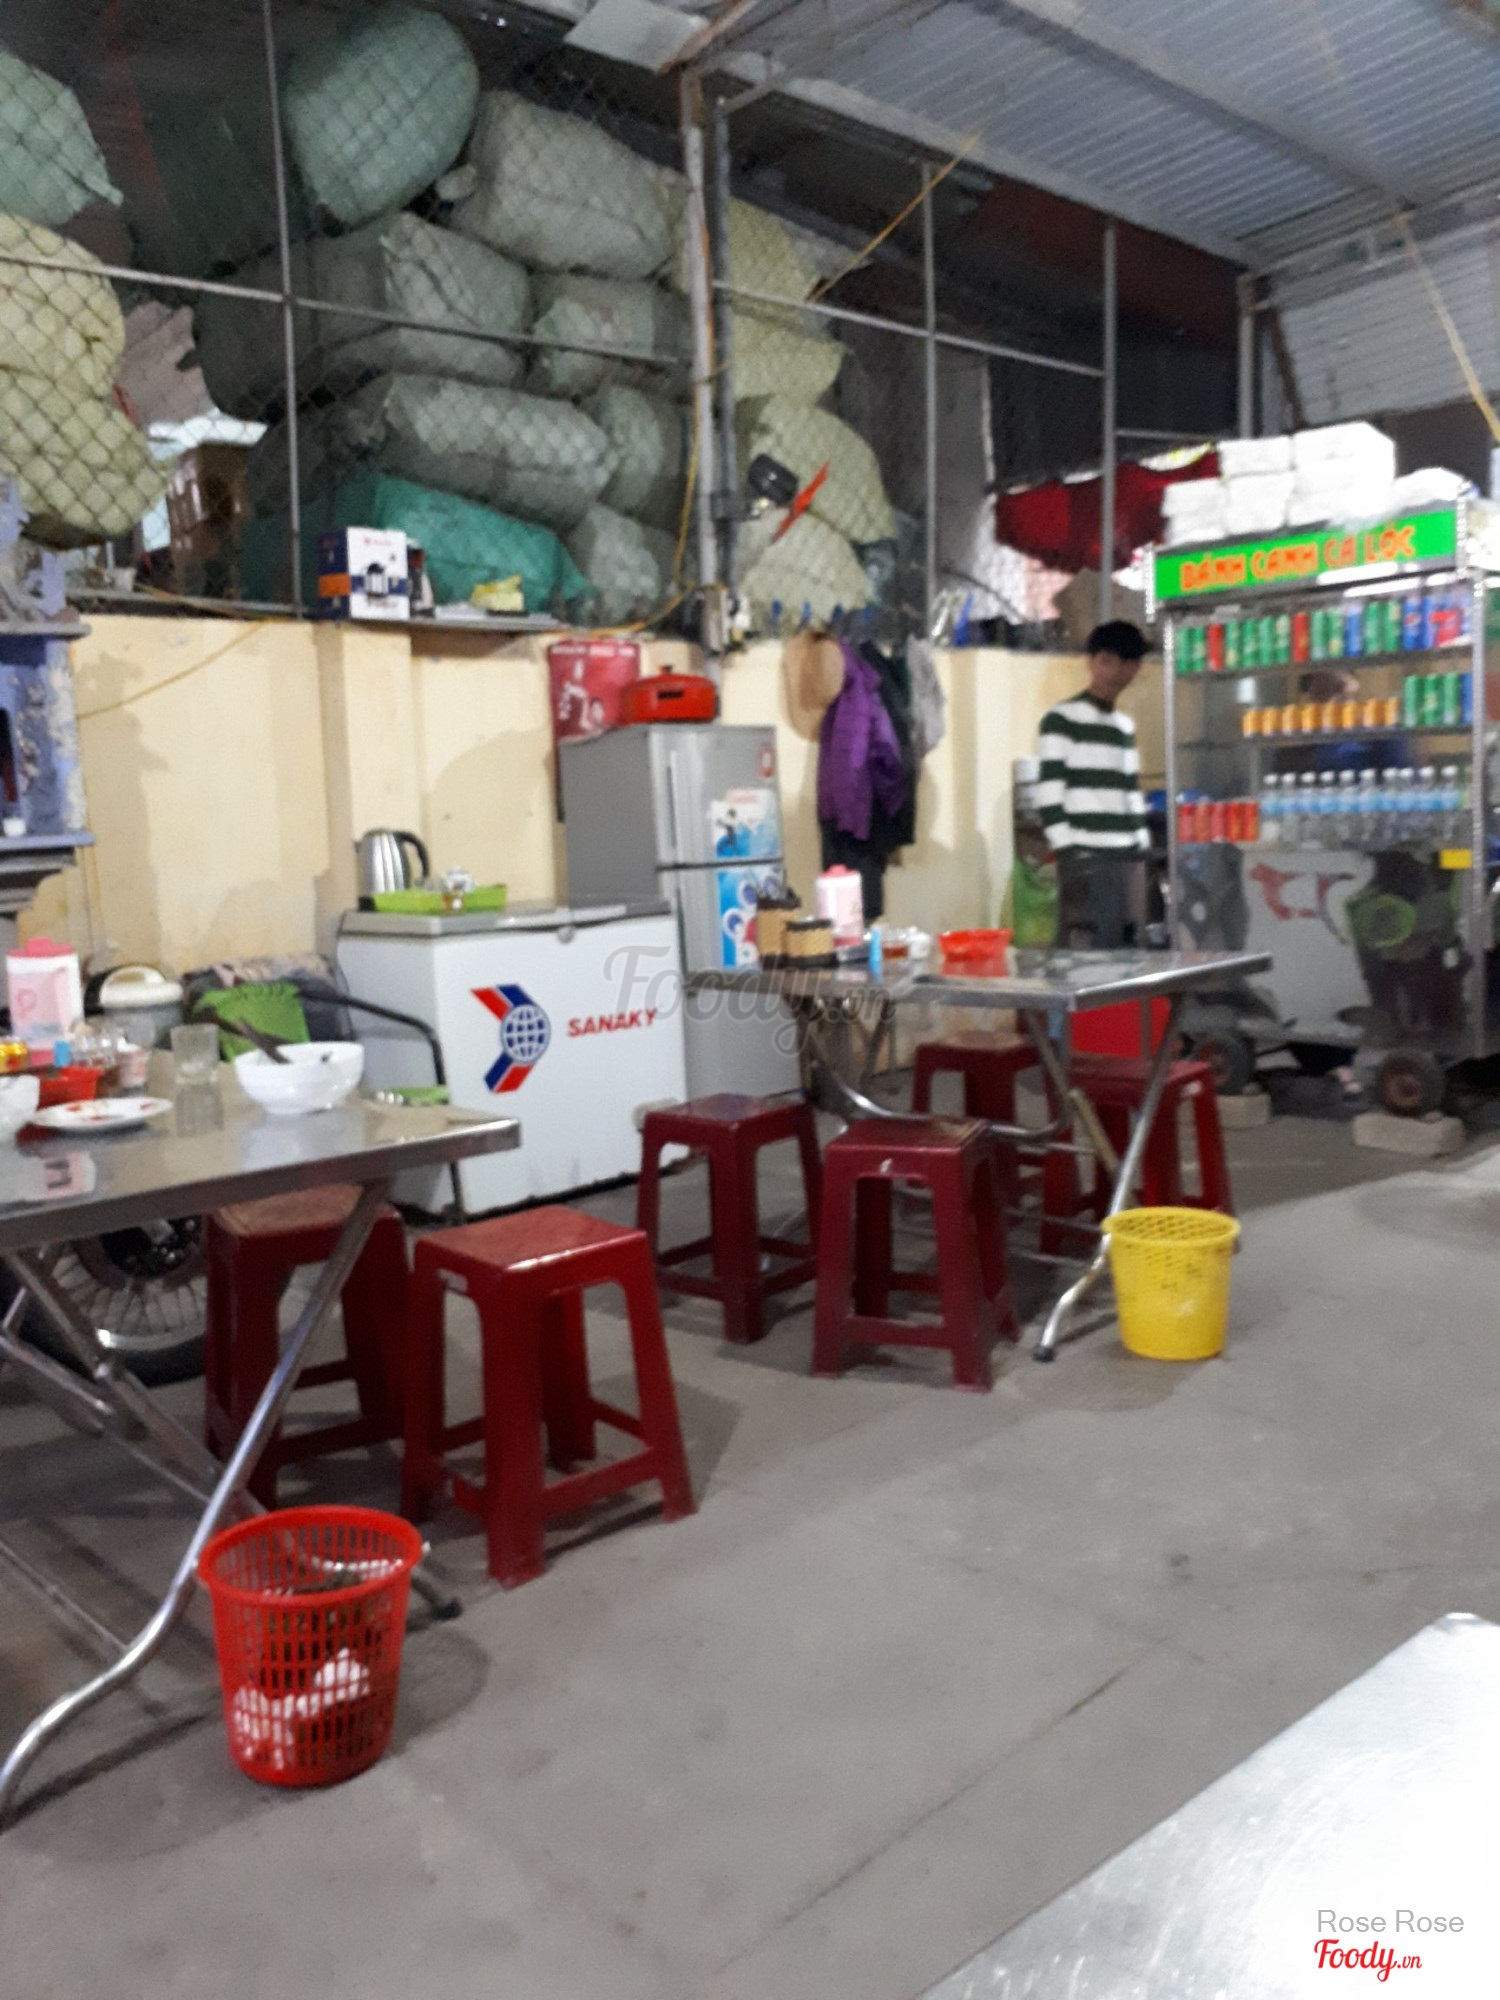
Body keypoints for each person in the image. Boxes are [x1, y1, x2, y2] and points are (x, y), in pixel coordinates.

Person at [1036, 619, 1150, 949]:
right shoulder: (1062, 719)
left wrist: (1141, 843)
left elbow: (1130, 792)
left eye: (1125, 663)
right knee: (1085, 954)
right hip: (1086, 856)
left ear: (1135, 668)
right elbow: (1049, 796)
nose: (1114, 672)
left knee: (1126, 952)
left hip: (1127, 857)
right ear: (1090, 661)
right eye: (1106, 661)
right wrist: (1069, 852)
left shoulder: (1124, 726)